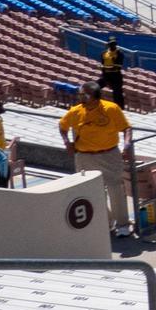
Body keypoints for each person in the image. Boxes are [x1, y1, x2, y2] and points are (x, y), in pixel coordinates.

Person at [58, 83, 135, 236]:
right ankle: (106, 222)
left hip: (109, 155)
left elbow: (126, 128)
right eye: (80, 94)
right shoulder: (75, 111)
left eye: (84, 95)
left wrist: (127, 144)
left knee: (116, 190)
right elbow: (62, 126)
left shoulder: (111, 109)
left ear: (94, 96)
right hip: (84, 156)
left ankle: (123, 225)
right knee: (92, 191)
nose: (80, 97)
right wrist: (67, 142)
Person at [97, 36, 125, 105]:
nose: (113, 45)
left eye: (114, 44)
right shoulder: (104, 53)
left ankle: (119, 108)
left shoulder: (119, 53)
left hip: (116, 76)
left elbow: (117, 67)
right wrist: (103, 70)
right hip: (106, 75)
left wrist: (104, 67)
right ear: (108, 44)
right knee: (95, 87)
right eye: (111, 44)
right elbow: (102, 64)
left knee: (117, 93)